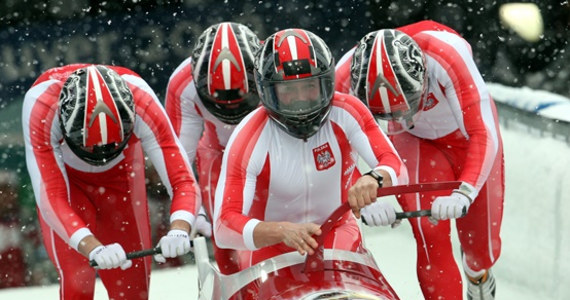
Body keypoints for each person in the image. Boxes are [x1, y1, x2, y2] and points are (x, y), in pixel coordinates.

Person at [212, 28, 408, 270]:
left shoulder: (348, 111)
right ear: (268, 91)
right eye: (288, 90)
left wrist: (375, 178)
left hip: (336, 232)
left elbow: (394, 163)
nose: (301, 100)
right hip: (271, 247)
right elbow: (223, 226)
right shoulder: (249, 136)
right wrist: (280, 231)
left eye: (309, 87)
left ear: (326, 83)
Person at [335, 20, 504, 300]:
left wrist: (465, 191)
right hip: (412, 142)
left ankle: (477, 273)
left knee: (481, 250)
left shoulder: (447, 55)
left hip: (466, 137)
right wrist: (361, 197)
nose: (402, 115)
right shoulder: (342, 79)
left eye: (407, 103)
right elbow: (336, 147)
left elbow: (482, 133)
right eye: (385, 113)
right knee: (429, 232)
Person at [22, 64, 201, 299]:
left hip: (122, 178)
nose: (101, 154)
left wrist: (180, 228)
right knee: (78, 281)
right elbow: (52, 198)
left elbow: (183, 181)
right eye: (90, 145)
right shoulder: (41, 106)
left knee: (132, 290)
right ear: (66, 126)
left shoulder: (143, 101)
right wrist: (91, 246)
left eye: (112, 143)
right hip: (68, 182)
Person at [164, 22, 262, 274]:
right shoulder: (182, 85)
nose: (230, 106)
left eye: (239, 98)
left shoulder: (273, 67)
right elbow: (179, 162)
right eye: (221, 100)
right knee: (226, 237)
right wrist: (190, 211)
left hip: (270, 148)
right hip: (218, 154)